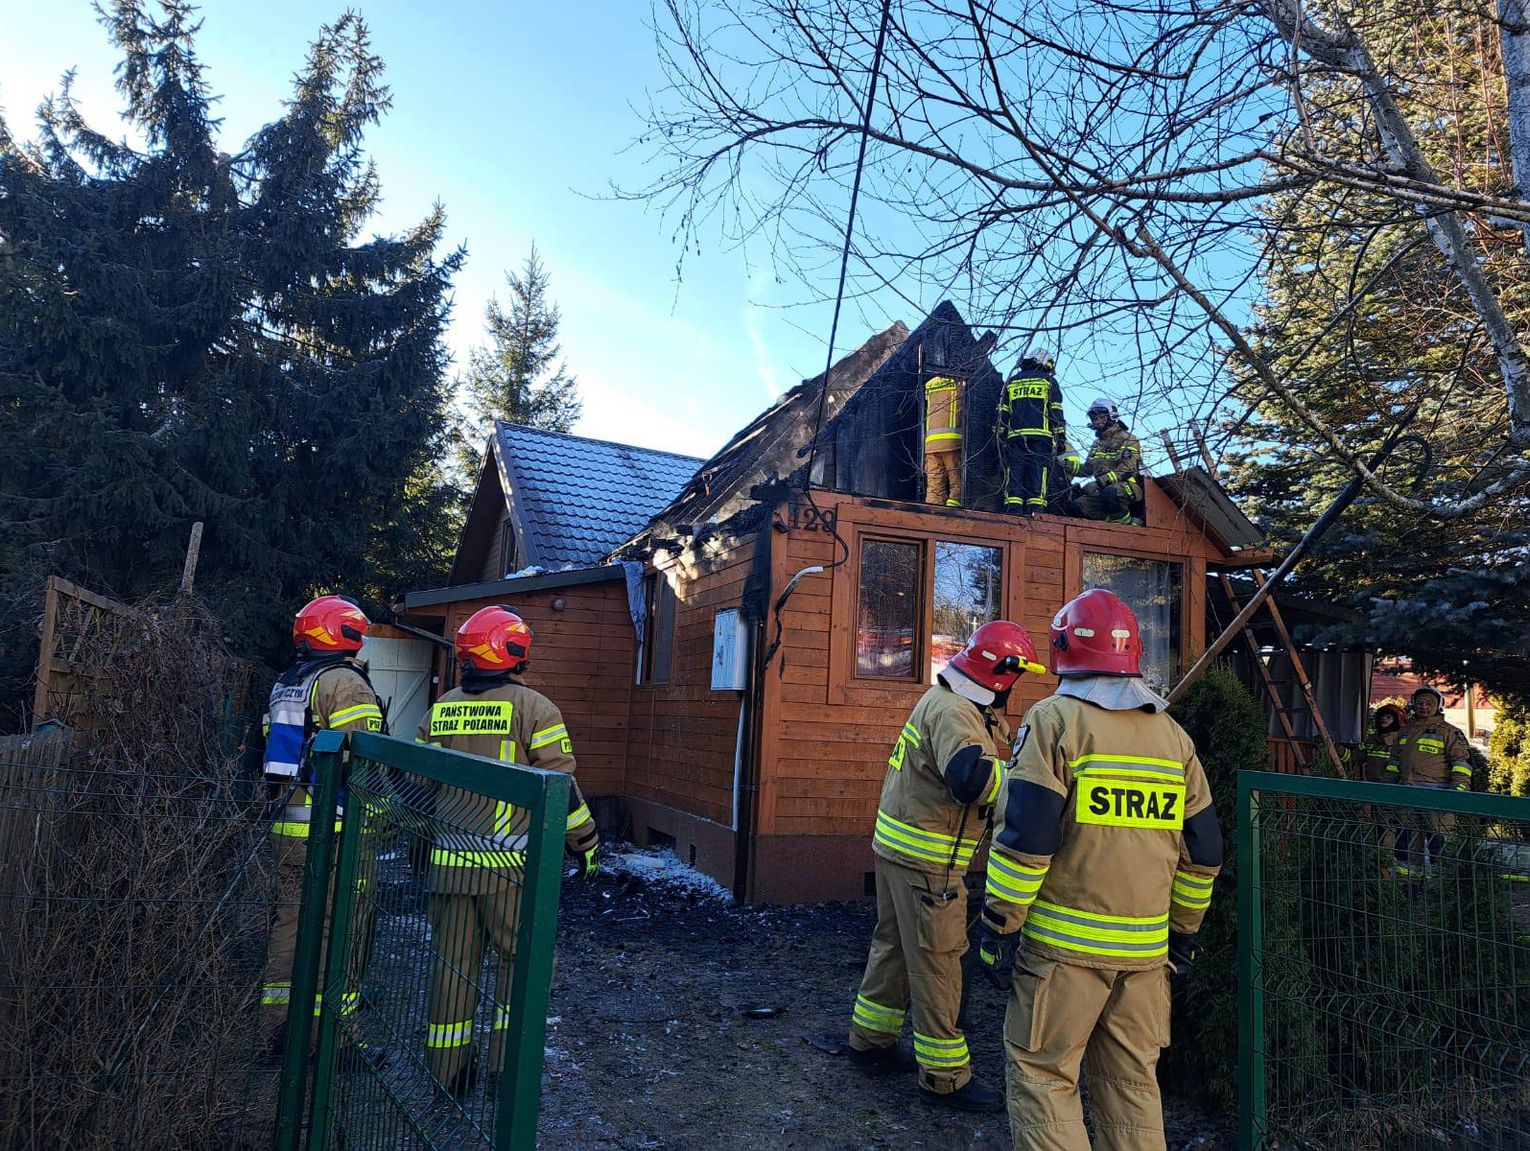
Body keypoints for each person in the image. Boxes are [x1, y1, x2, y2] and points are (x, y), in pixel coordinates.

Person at [978, 589, 1222, 1151]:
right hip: (1145, 958)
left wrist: (998, 927)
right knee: (1132, 1084)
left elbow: (1027, 841)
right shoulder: (1173, 736)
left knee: (1044, 1075)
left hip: (1062, 954)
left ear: (1062, 648)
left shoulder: (1054, 721)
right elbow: (1204, 851)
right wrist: (1183, 932)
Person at [847, 621, 1047, 1113]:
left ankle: (870, 1043)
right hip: (929, 866)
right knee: (939, 966)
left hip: (899, 855)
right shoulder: (957, 711)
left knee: (895, 949)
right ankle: (944, 1078)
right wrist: (1025, 784)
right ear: (1002, 674)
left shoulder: (945, 700)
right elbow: (970, 778)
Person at [416, 604, 599, 1097]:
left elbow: (417, 784)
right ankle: (507, 1067)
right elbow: (561, 788)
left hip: (449, 867)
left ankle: (447, 1072)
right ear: (514, 651)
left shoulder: (441, 708)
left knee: (452, 969)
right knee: (524, 965)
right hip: (509, 870)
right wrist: (585, 843)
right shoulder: (535, 708)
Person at [259, 595, 385, 1054]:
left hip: (288, 825)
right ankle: (334, 1038)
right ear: (344, 633)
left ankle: (275, 1028)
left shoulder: (289, 682)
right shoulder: (343, 683)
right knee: (340, 927)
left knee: (289, 923)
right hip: (334, 828)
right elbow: (365, 758)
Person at [1389, 685, 1473, 877]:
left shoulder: (1449, 732)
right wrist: (1386, 788)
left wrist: (1457, 791)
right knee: (1406, 846)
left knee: (1439, 846)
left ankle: (1443, 886)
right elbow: (1394, 763)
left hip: (1437, 799)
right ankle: (1408, 884)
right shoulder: (1405, 732)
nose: (1424, 707)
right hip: (1407, 796)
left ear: (1437, 706)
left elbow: (1461, 763)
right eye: (1420, 703)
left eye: (1428, 703)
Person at [1001, 348, 1067, 515]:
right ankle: (1035, 511)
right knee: (1037, 474)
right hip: (1040, 439)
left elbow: (1003, 412)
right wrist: (1060, 437)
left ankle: (1013, 510)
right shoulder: (1048, 381)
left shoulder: (1012, 382)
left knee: (1015, 474)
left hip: (1015, 438)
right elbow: (1055, 411)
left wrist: (1001, 435)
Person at [1071, 398, 1143, 524]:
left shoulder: (1128, 439)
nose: (1098, 422)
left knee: (1110, 494)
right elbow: (1087, 469)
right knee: (1077, 505)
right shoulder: (1097, 444)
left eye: (1102, 418)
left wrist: (1100, 482)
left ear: (1112, 416)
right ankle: (1108, 523)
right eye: (1095, 419)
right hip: (1102, 490)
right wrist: (1062, 464)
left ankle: (1127, 527)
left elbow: (1127, 469)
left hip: (1128, 487)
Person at [924, 373, 966, 508]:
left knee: (934, 482)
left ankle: (933, 509)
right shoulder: (959, 382)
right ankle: (954, 508)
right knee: (956, 480)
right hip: (951, 441)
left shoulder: (929, 384)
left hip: (931, 443)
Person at [1341, 703, 1405, 782]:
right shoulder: (1372, 740)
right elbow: (1354, 757)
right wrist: (1339, 750)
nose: (1383, 719)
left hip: (1394, 785)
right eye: (1381, 716)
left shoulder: (1402, 741)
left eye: (1388, 717)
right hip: (1372, 783)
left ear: (1397, 720)